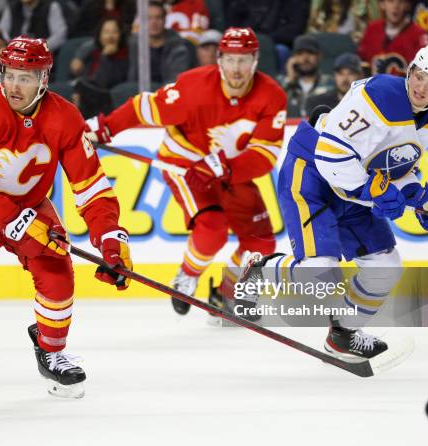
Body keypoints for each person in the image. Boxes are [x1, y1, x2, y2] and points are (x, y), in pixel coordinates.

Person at [0, 36, 132, 398]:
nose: (16, 86)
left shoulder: (65, 116)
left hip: (26, 204)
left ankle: (51, 351)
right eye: (11, 75)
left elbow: (92, 186)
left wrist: (110, 237)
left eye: (26, 77)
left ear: (44, 79)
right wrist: (17, 224)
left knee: (57, 269)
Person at [238, 40, 428, 362]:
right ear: (410, 69)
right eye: (420, 75)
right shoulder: (381, 94)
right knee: (318, 272)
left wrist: (422, 198)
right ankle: (261, 269)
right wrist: (374, 193)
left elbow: (394, 166)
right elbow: (331, 155)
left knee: (385, 267)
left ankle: (343, 334)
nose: (422, 87)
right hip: (311, 173)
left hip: (354, 186)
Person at [87, 27, 287, 317]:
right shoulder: (195, 87)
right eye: (230, 59)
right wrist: (105, 127)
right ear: (219, 59)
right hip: (186, 165)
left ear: (255, 60)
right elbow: (145, 107)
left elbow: (265, 155)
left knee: (261, 242)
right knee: (213, 229)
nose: (237, 68)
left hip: (231, 171)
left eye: (244, 60)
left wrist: (223, 166)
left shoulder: (271, 95)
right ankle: (187, 277)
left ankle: (226, 294)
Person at [127, 1, 192, 84]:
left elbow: (176, 81)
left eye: (158, 18)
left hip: (167, 94)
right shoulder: (133, 44)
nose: (154, 22)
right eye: (149, 18)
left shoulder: (179, 46)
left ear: (165, 20)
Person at [358, 0, 428, 75]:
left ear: (408, 5)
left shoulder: (419, 35)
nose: (395, 7)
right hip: (373, 85)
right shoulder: (372, 29)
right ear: (382, 4)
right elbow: (362, 61)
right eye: (390, 1)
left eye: (401, 2)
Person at [280, 35, 333, 117]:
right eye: (300, 53)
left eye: (310, 53)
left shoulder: (330, 83)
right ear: (293, 57)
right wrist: (290, 80)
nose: (305, 58)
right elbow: (275, 106)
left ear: (319, 56)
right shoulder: (281, 83)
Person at [0, 0, 68, 52]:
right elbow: (2, 31)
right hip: (14, 54)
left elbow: (59, 36)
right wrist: (13, 47)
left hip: (41, 57)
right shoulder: (12, 7)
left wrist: (37, 48)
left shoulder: (51, 6)